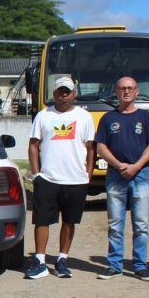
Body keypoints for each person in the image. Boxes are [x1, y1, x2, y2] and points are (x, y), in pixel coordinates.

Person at [26, 76, 95, 280]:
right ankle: (39, 260)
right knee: (42, 220)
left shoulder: (84, 117)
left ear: (74, 94)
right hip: (48, 178)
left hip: (75, 179)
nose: (63, 96)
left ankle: (62, 259)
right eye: (60, 92)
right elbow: (33, 145)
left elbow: (91, 148)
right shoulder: (43, 116)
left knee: (69, 221)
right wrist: (37, 173)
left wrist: (88, 174)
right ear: (54, 94)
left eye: (68, 92)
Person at [94, 77, 149, 281]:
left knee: (141, 224)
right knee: (115, 224)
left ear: (137, 91)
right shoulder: (107, 118)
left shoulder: (146, 118)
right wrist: (118, 164)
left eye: (130, 88)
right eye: (122, 88)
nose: (126, 92)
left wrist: (136, 166)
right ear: (116, 91)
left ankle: (140, 266)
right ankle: (114, 265)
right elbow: (100, 147)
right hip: (116, 175)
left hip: (141, 175)